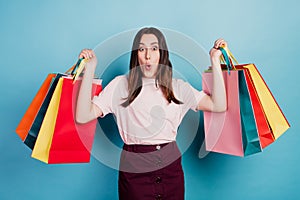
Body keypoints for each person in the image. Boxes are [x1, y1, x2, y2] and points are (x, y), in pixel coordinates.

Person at [76, 27, 227, 200]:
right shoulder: (119, 85)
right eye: (142, 49)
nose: (148, 55)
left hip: (171, 170)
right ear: (136, 54)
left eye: (154, 48)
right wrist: (89, 70)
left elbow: (218, 105)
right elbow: (83, 115)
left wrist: (215, 61)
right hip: (134, 170)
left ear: (162, 54)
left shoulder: (178, 87)